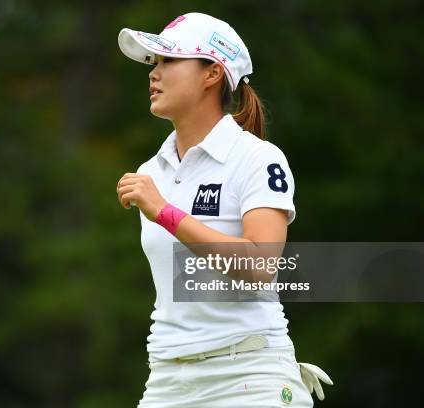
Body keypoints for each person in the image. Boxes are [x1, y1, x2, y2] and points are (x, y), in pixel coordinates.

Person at [116, 12, 333, 407]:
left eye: (169, 61)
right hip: (167, 378)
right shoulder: (152, 171)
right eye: (154, 63)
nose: (154, 74)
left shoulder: (258, 159)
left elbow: (260, 265)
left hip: (249, 376)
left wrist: (165, 212)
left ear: (212, 74)